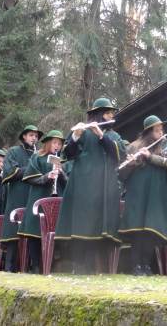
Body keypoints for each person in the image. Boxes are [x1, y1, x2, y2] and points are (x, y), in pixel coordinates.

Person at [55, 97, 126, 274]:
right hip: (83, 186)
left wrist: (101, 136)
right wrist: (75, 136)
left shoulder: (113, 135)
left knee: (100, 225)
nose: (111, 115)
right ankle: (79, 266)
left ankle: (99, 268)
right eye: (108, 112)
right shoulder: (84, 133)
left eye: (111, 113)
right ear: (98, 114)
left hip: (105, 187)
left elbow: (119, 156)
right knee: (82, 224)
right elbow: (68, 155)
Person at [118, 115, 167, 275]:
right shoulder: (133, 147)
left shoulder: (166, 148)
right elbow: (121, 175)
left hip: (157, 196)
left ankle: (146, 265)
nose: (161, 133)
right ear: (148, 132)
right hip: (138, 195)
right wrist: (130, 164)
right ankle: (136, 266)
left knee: (151, 231)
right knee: (138, 230)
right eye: (157, 130)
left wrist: (150, 157)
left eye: (161, 130)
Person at [18, 130, 67, 273]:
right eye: (54, 142)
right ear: (48, 143)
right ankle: (35, 266)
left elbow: (69, 181)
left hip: (57, 200)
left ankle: (51, 265)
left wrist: (61, 173)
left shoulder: (62, 160)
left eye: (59, 143)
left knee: (55, 233)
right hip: (39, 198)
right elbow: (29, 178)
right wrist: (47, 177)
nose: (57, 146)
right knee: (36, 232)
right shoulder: (37, 157)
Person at [0, 125, 43, 272]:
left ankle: (33, 267)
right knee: (13, 233)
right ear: (24, 136)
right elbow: (10, 171)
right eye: (31, 135)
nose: (34, 138)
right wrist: (30, 171)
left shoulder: (39, 154)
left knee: (32, 231)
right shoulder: (13, 151)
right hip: (17, 195)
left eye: (36, 136)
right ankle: (9, 268)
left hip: (33, 194)